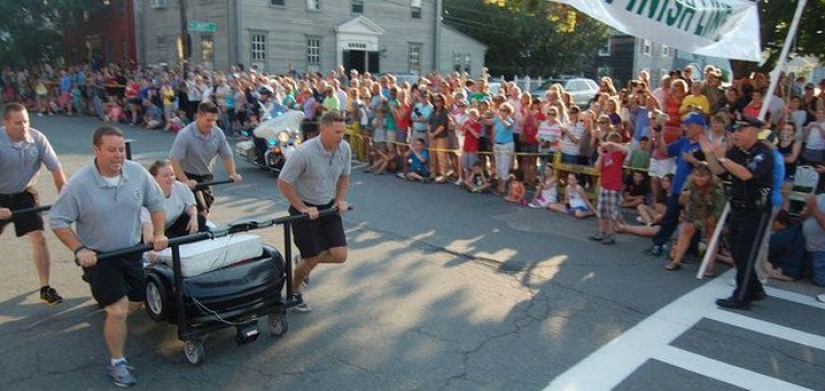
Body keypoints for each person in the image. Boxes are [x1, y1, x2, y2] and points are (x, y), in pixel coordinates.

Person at [49, 126, 168, 387]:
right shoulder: (78, 184)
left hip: (131, 251)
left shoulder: (136, 173)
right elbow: (58, 221)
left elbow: (157, 203)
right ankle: (117, 364)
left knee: (136, 302)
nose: (118, 155)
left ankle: (106, 297)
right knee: (118, 310)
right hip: (99, 257)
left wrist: (158, 233)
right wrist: (80, 249)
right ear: (96, 150)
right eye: (111, 149)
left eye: (121, 149)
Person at [278, 111, 351, 313]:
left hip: (328, 208)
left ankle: (304, 261)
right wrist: (302, 207)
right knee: (311, 259)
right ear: (323, 129)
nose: (341, 136)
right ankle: (293, 292)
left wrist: (339, 200)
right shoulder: (304, 152)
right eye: (337, 132)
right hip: (305, 210)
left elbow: (344, 177)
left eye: (343, 132)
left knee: (340, 255)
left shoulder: (344, 148)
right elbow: (283, 182)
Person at [0, 102, 67, 305]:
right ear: (6, 123)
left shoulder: (37, 139)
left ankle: (45, 288)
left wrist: (66, 201)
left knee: (39, 238)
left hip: (24, 194)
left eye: (26, 121)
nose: (23, 126)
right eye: (18, 123)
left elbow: (56, 171)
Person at [705, 116, 775, 310]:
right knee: (736, 250)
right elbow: (720, 172)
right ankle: (755, 289)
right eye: (735, 130)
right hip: (738, 207)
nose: (736, 134)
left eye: (740, 130)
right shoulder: (737, 151)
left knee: (745, 253)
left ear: (753, 132)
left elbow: (746, 173)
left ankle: (741, 297)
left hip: (756, 211)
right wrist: (711, 155)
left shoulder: (764, 154)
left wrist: (722, 158)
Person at [169, 101, 242, 217]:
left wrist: (232, 173)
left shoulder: (218, 133)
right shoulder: (185, 135)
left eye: (214, 120)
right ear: (198, 116)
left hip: (206, 177)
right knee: (200, 212)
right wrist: (185, 181)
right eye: (208, 120)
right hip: (188, 176)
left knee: (206, 211)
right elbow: (174, 160)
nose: (212, 124)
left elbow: (227, 156)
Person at [140, 159, 206, 240]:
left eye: (172, 174)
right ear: (153, 179)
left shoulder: (180, 187)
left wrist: (193, 218)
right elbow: (147, 227)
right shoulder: (147, 197)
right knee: (168, 239)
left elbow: (191, 205)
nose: (170, 178)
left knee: (201, 220)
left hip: (173, 226)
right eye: (165, 176)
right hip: (154, 230)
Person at [590, 132, 628, 245]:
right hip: (604, 186)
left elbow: (626, 149)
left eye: (612, 144)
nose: (609, 147)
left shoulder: (620, 155)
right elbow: (597, 168)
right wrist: (601, 155)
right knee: (602, 211)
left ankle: (611, 234)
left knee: (612, 213)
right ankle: (601, 232)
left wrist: (610, 143)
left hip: (614, 187)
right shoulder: (606, 156)